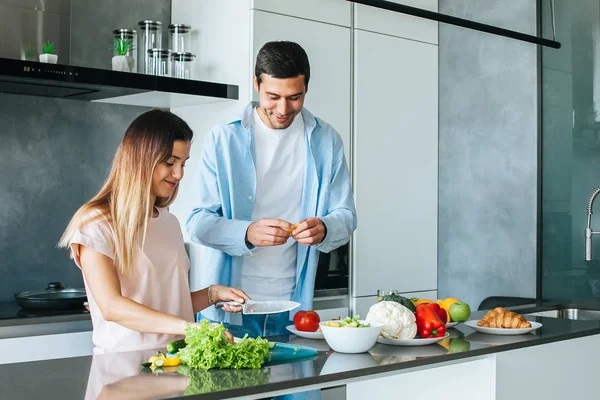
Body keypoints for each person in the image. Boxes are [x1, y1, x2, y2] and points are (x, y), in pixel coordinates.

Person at [186, 41, 357, 338]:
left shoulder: (327, 140)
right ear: (256, 83)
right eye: (273, 96)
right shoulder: (224, 138)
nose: (282, 109)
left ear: (306, 87)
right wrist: (247, 232)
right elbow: (198, 223)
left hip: (294, 311)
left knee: (297, 384)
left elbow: (347, 216)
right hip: (230, 311)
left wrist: (325, 228)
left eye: (294, 97)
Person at [58, 109, 249, 355]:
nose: (179, 174)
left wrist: (213, 293)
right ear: (141, 158)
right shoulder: (96, 223)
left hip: (178, 365)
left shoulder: (169, 223)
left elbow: (168, 309)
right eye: (170, 163)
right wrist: (192, 328)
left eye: (183, 163)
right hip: (123, 369)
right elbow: (111, 306)